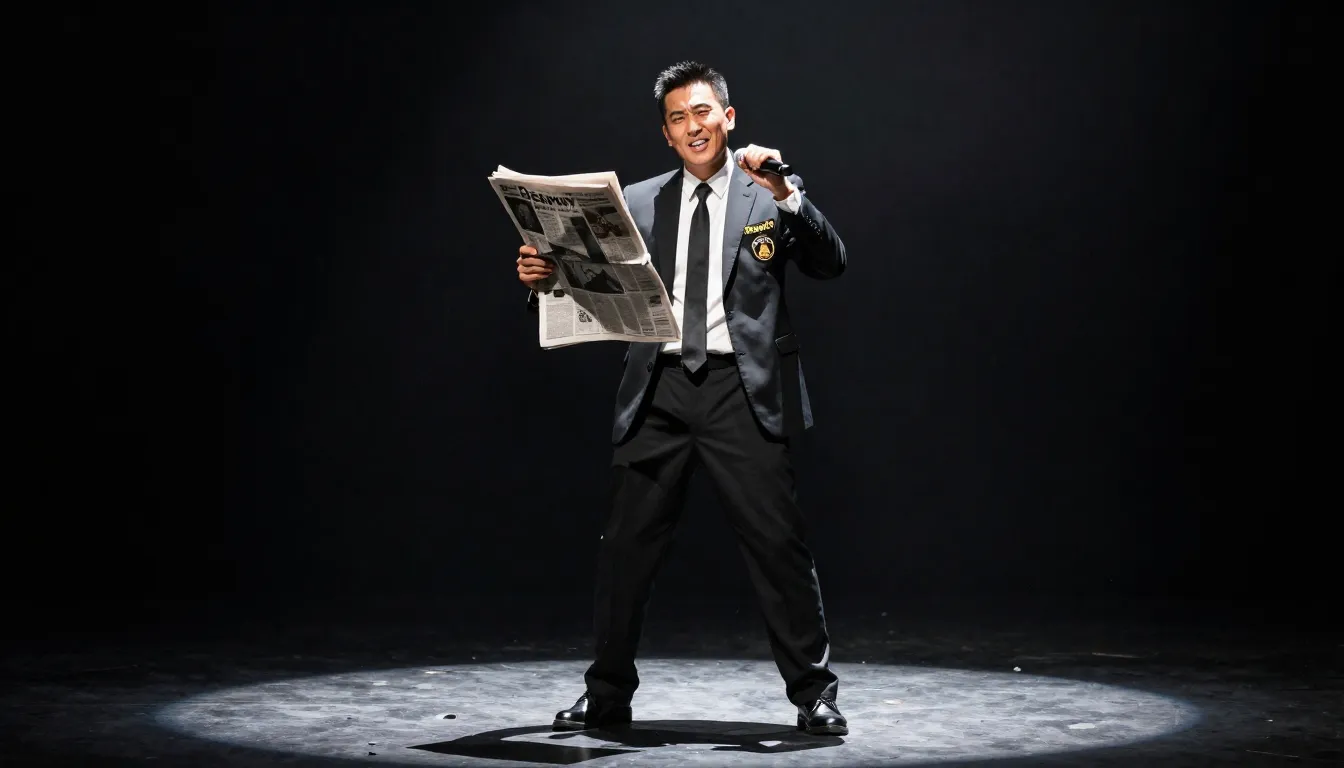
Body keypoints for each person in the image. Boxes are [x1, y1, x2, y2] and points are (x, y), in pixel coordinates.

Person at [514, 60, 849, 736]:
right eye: (677, 118)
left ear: (728, 118)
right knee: (625, 551)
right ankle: (607, 693)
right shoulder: (636, 202)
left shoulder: (768, 192)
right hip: (659, 388)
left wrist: (787, 193)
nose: (692, 126)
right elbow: (590, 293)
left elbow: (830, 261)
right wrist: (541, 277)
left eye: (702, 112)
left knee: (778, 547)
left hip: (740, 389)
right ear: (665, 134)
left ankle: (814, 693)